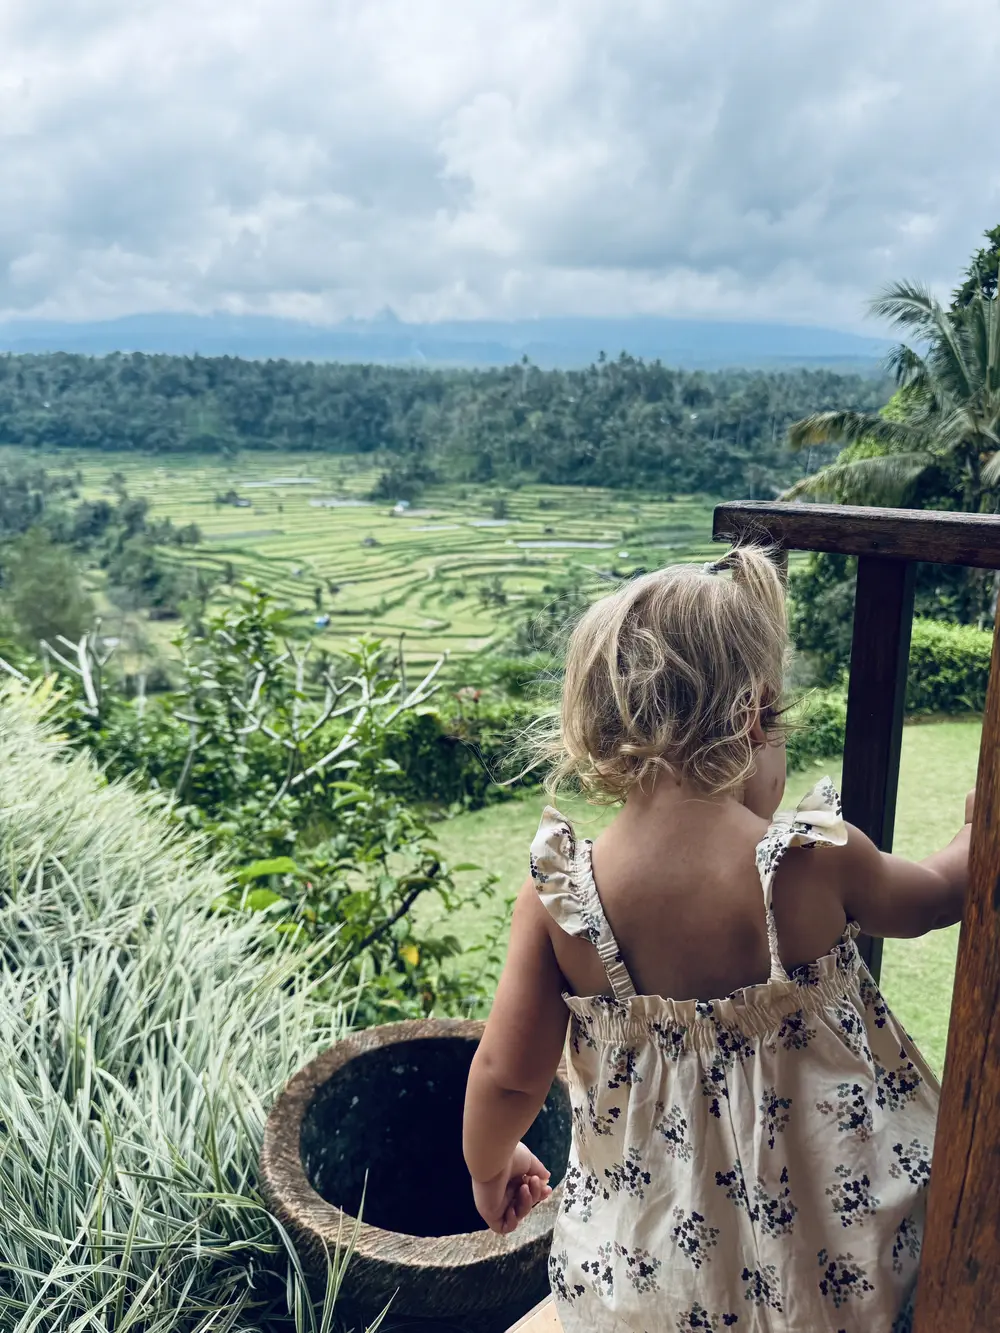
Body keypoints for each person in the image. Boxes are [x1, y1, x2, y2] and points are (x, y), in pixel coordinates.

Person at [463, 546, 973, 1333]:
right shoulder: (807, 862)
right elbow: (936, 897)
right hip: (835, 1267)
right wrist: (980, 832)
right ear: (752, 717)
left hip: (643, 1274)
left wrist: (492, 1169)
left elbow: (503, 1077)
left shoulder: (564, 898)